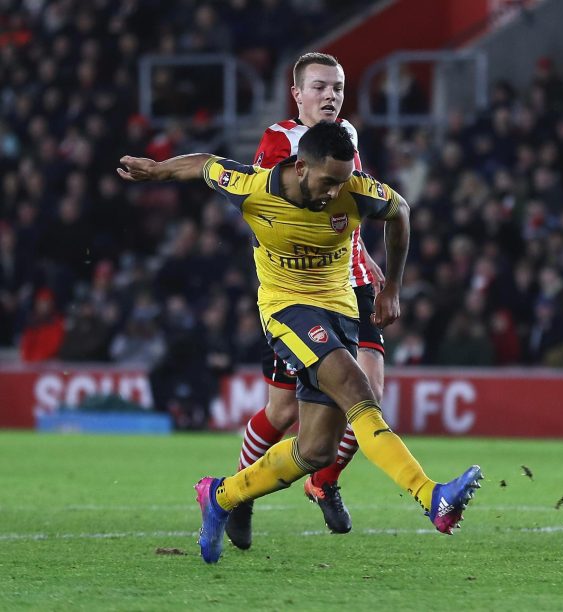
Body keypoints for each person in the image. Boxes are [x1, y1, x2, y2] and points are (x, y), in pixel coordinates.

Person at [117, 121, 482, 564]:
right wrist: (155, 170)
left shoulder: (356, 190)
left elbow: (401, 211)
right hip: (287, 311)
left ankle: (221, 495)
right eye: (328, 181)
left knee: (315, 450)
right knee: (359, 393)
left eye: (342, 181)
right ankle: (432, 498)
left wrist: (392, 288)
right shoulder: (254, 188)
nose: (335, 191)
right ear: (301, 167)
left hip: (340, 311)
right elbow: (205, 165)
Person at [229, 52, 383, 547]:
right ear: (297, 94)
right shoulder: (279, 141)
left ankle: (324, 481)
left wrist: (366, 256)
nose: (330, 96)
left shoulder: (348, 137)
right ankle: (241, 493)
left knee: (368, 397)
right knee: (281, 413)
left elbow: (344, 205)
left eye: (337, 87)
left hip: (352, 284)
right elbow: (267, 212)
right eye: (319, 87)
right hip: (297, 292)